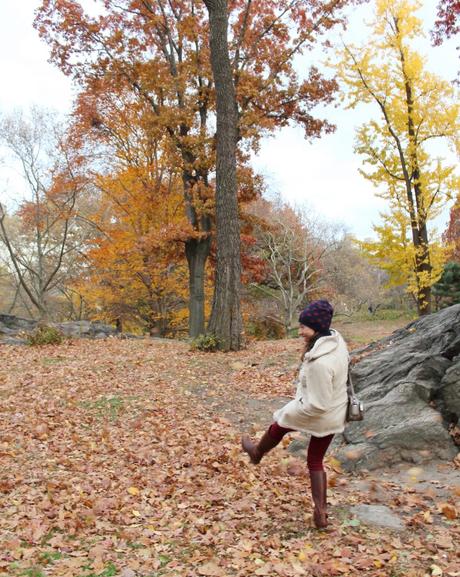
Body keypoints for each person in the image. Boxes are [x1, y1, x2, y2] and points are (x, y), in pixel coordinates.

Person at [241, 299, 349, 529]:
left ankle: (257, 453)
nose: (299, 331)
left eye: (303, 327)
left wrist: (293, 409)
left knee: (281, 421)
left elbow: (317, 405)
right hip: (335, 411)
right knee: (315, 459)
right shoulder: (335, 342)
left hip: (321, 411)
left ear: (317, 327)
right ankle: (321, 514)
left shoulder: (321, 362)